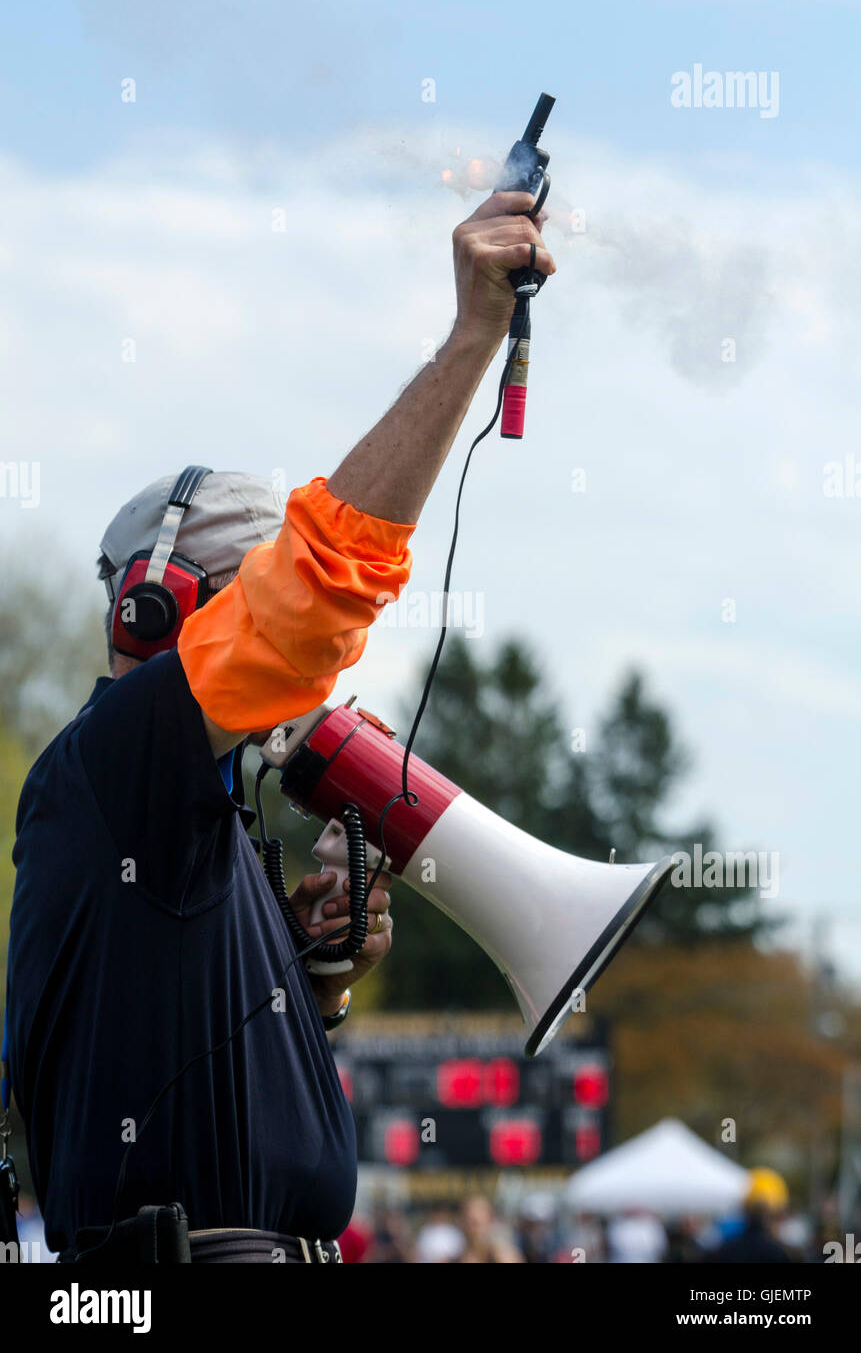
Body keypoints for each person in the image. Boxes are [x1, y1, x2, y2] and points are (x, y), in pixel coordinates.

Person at [4, 191, 555, 1265]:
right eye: (251, 603)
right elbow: (315, 595)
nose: (316, 676)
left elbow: (180, 1075)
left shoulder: (168, 806)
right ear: (163, 609)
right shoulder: (122, 756)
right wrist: (470, 340)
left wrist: (313, 976)